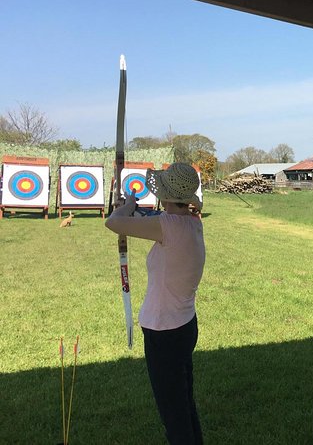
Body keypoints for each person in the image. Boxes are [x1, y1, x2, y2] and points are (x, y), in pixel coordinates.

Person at [105, 162, 206, 444]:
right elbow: (154, 219)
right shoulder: (191, 221)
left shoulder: (169, 225)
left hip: (165, 332)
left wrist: (127, 205)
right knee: (183, 404)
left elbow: (113, 223)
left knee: (174, 415)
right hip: (183, 326)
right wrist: (132, 208)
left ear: (163, 195)